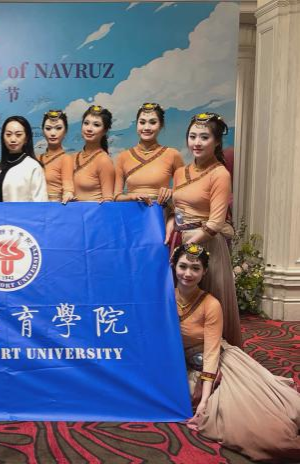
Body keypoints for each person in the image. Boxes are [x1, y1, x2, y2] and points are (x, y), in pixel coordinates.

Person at [171, 243, 300, 462]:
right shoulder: (165, 299)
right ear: (174, 267)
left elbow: (211, 353)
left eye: (195, 268)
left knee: (252, 422)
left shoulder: (210, 304)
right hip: (184, 364)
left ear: (204, 272)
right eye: (183, 266)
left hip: (219, 361)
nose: (188, 273)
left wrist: (204, 401)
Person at [169, 112, 241, 347]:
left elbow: (215, 223)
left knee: (207, 301)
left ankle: (210, 354)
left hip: (205, 244)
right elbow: (176, 210)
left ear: (217, 142)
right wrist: (171, 230)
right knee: (180, 301)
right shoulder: (180, 172)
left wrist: (186, 249)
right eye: (192, 136)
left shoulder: (220, 174)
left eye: (204, 137)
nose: (197, 143)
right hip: (180, 241)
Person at [114, 103, 184, 206]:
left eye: (153, 122)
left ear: (161, 125)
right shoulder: (123, 157)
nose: (146, 127)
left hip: (161, 212)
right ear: (137, 124)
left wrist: (171, 192)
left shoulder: (173, 154)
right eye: (142, 122)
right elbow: (116, 196)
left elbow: (184, 192)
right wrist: (132, 197)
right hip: (131, 212)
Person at [0, 116, 47, 202]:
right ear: (3, 137)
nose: (13, 139)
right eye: (8, 134)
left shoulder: (33, 167)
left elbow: (40, 203)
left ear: (26, 138)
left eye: (18, 135)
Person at [71, 105, 115, 202]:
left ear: (105, 131)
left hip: (94, 211)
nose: (89, 129)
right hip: (72, 211)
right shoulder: (72, 158)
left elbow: (108, 200)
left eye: (96, 125)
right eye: (86, 123)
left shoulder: (104, 160)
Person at [39, 110, 74, 203]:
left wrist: (68, 193)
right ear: (43, 131)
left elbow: (68, 186)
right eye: (48, 128)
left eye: (58, 128)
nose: (53, 133)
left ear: (65, 131)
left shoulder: (65, 158)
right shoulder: (37, 158)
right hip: (37, 206)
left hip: (55, 206)